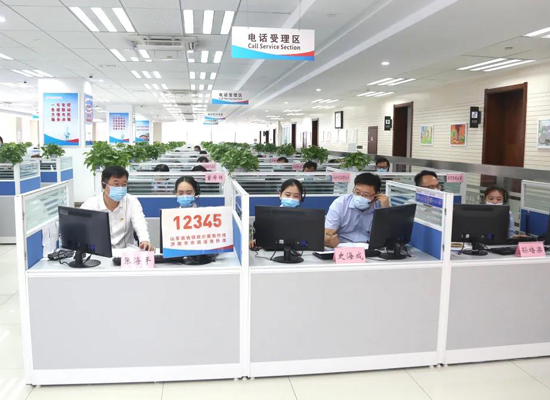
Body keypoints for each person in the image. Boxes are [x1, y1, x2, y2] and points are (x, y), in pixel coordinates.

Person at [81, 166, 154, 251]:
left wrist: (144, 240)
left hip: (126, 253)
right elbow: (80, 227)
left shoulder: (132, 201)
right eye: (116, 184)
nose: (120, 188)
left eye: (124, 185)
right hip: (100, 253)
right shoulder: (91, 204)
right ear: (104, 184)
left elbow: (140, 222)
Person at [325, 173, 390, 247]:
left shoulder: (381, 206)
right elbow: (327, 234)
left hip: (370, 248)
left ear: (376, 195)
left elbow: (389, 237)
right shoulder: (340, 204)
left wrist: (386, 210)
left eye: (365, 195)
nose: (360, 197)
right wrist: (329, 240)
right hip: (342, 247)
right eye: (357, 192)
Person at [249, 179, 305, 248]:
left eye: (296, 196)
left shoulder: (305, 219)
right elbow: (262, 238)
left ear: (300, 198)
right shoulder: (268, 218)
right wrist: (257, 242)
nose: (291, 199)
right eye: (287, 195)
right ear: (280, 195)